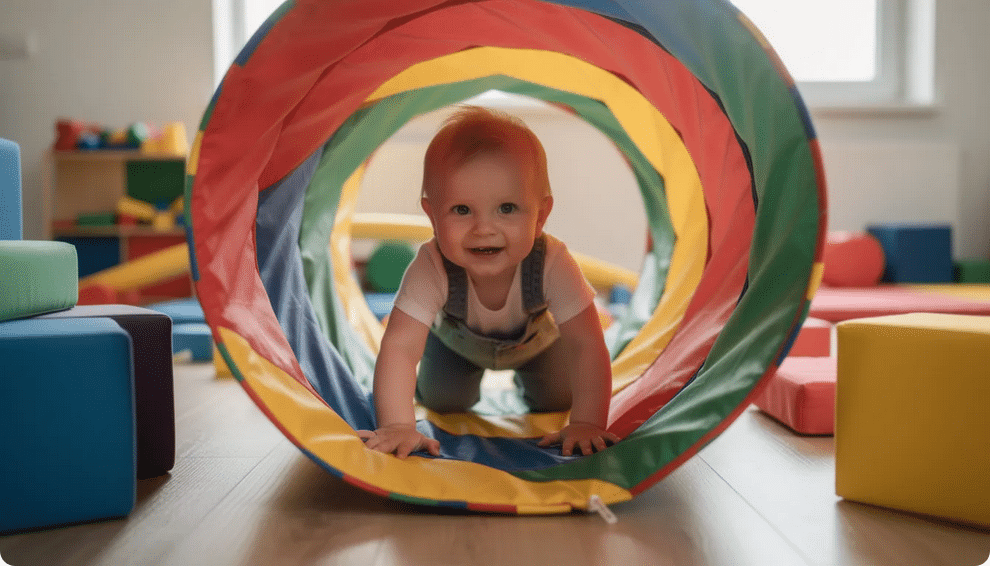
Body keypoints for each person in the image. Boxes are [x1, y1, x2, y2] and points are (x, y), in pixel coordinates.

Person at [358, 105, 618, 459]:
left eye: (507, 209)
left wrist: (588, 422)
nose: (484, 228)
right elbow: (400, 347)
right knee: (442, 401)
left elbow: (586, 343)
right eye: (462, 210)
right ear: (432, 215)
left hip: (539, 346)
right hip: (455, 347)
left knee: (559, 398)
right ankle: (447, 388)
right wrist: (397, 426)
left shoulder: (553, 262)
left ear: (540, 215)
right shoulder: (430, 266)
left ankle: (537, 388)